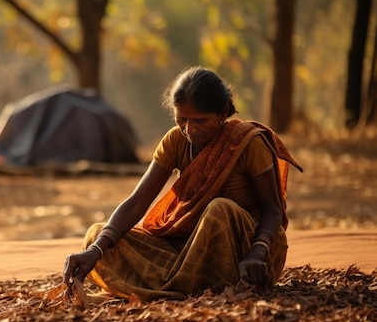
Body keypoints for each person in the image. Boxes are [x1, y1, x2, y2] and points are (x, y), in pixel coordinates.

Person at [63, 66, 302, 301]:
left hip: (250, 257)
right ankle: (184, 285)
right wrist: (96, 250)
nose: (190, 129)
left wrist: (257, 253)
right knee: (98, 235)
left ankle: (168, 287)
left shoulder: (248, 143)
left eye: (200, 120)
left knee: (220, 209)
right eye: (182, 119)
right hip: (190, 251)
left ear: (223, 112)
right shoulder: (175, 141)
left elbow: (274, 210)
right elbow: (138, 202)